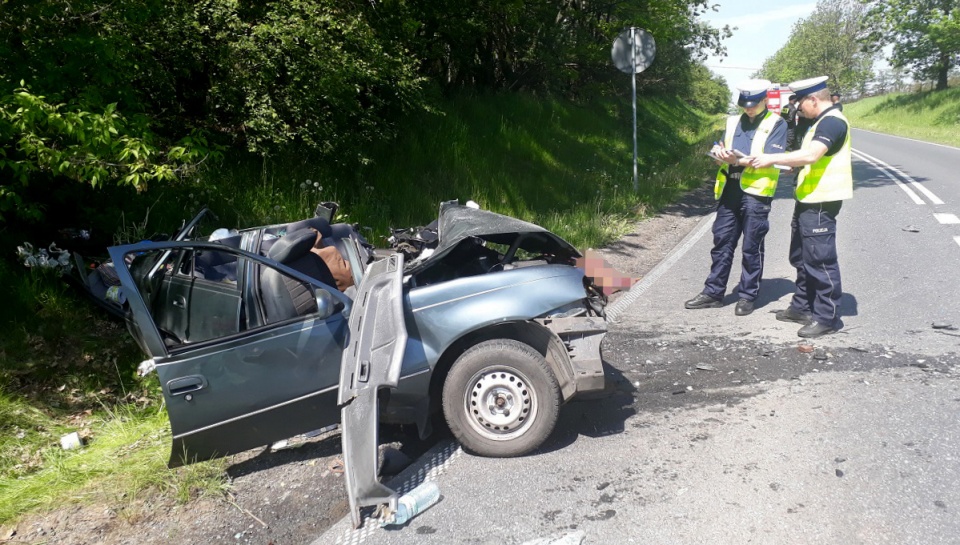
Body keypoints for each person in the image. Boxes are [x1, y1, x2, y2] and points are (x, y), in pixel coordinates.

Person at [747, 76, 852, 338]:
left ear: (813, 99)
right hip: (808, 198)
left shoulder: (832, 122)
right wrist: (788, 165)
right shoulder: (819, 121)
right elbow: (807, 159)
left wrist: (771, 159)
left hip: (821, 201)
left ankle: (826, 317)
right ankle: (802, 306)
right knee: (801, 257)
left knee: (820, 260)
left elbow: (812, 155)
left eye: (801, 103)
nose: (798, 108)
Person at [684, 79, 788, 316]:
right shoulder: (732, 121)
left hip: (756, 193)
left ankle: (748, 296)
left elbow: (770, 159)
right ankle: (713, 293)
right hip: (729, 190)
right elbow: (721, 149)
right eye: (744, 104)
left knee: (752, 246)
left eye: (753, 104)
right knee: (721, 242)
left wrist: (737, 161)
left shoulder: (777, 123)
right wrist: (718, 155)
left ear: (764, 100)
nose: (748, 108)